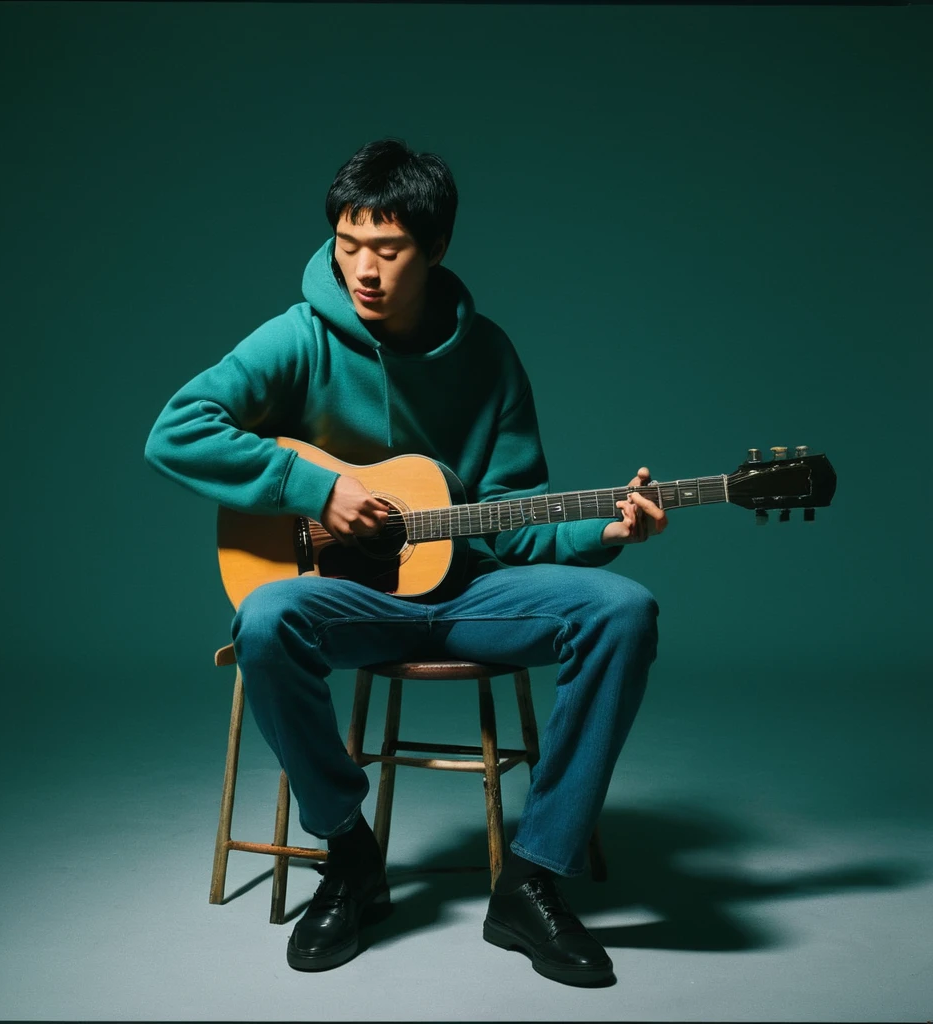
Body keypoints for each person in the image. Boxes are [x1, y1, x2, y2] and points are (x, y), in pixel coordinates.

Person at [144, 138, 668, 987]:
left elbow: (513, 525)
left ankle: (532, 879)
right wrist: (313, 489)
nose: (364, 269)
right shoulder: (300, 336)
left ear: (435, 248)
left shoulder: (489, 356)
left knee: (623, 609)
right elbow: (175, 430)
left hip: (473, 595)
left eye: (386, 251)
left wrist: (606, 531)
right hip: (348, 602)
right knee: (266, 617)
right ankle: (350, 856)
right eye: (349, 245)